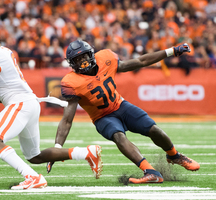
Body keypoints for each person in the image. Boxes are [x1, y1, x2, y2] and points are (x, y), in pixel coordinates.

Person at [0, 17, 103, 190]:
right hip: (29, 103)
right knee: (34, 156)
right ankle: (87, 153)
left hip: (21, 104)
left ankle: (32, 177)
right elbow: (1, 95)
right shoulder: (3, 51)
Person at [48, 39, 200, 184]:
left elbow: (141, 61)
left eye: (84, 56)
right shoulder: (71, 82)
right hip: (102, 117)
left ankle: (174, 156)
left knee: (154, 129)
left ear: (91, 54)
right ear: (72, 63)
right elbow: (67, 120)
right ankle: (151, 172)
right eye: (77, 59)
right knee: (119, 136)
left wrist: (171, 51)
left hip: (121, 105)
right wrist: (57, 149)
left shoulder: (105, 58)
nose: (82, 61)